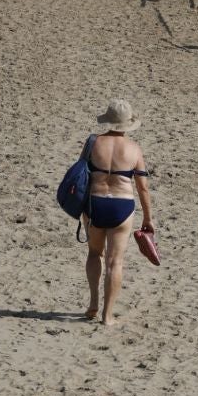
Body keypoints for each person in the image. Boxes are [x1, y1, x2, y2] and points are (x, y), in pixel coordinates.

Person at [82, 99, 154, 325]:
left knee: (95, 254)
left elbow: (81, 173)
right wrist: (148, 218)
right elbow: (142, 187)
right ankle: (108, 315)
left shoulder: (93, 143)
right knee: (116, 262)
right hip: (121, 206)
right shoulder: (134, 149)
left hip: (95, 204)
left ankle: (93, 303)